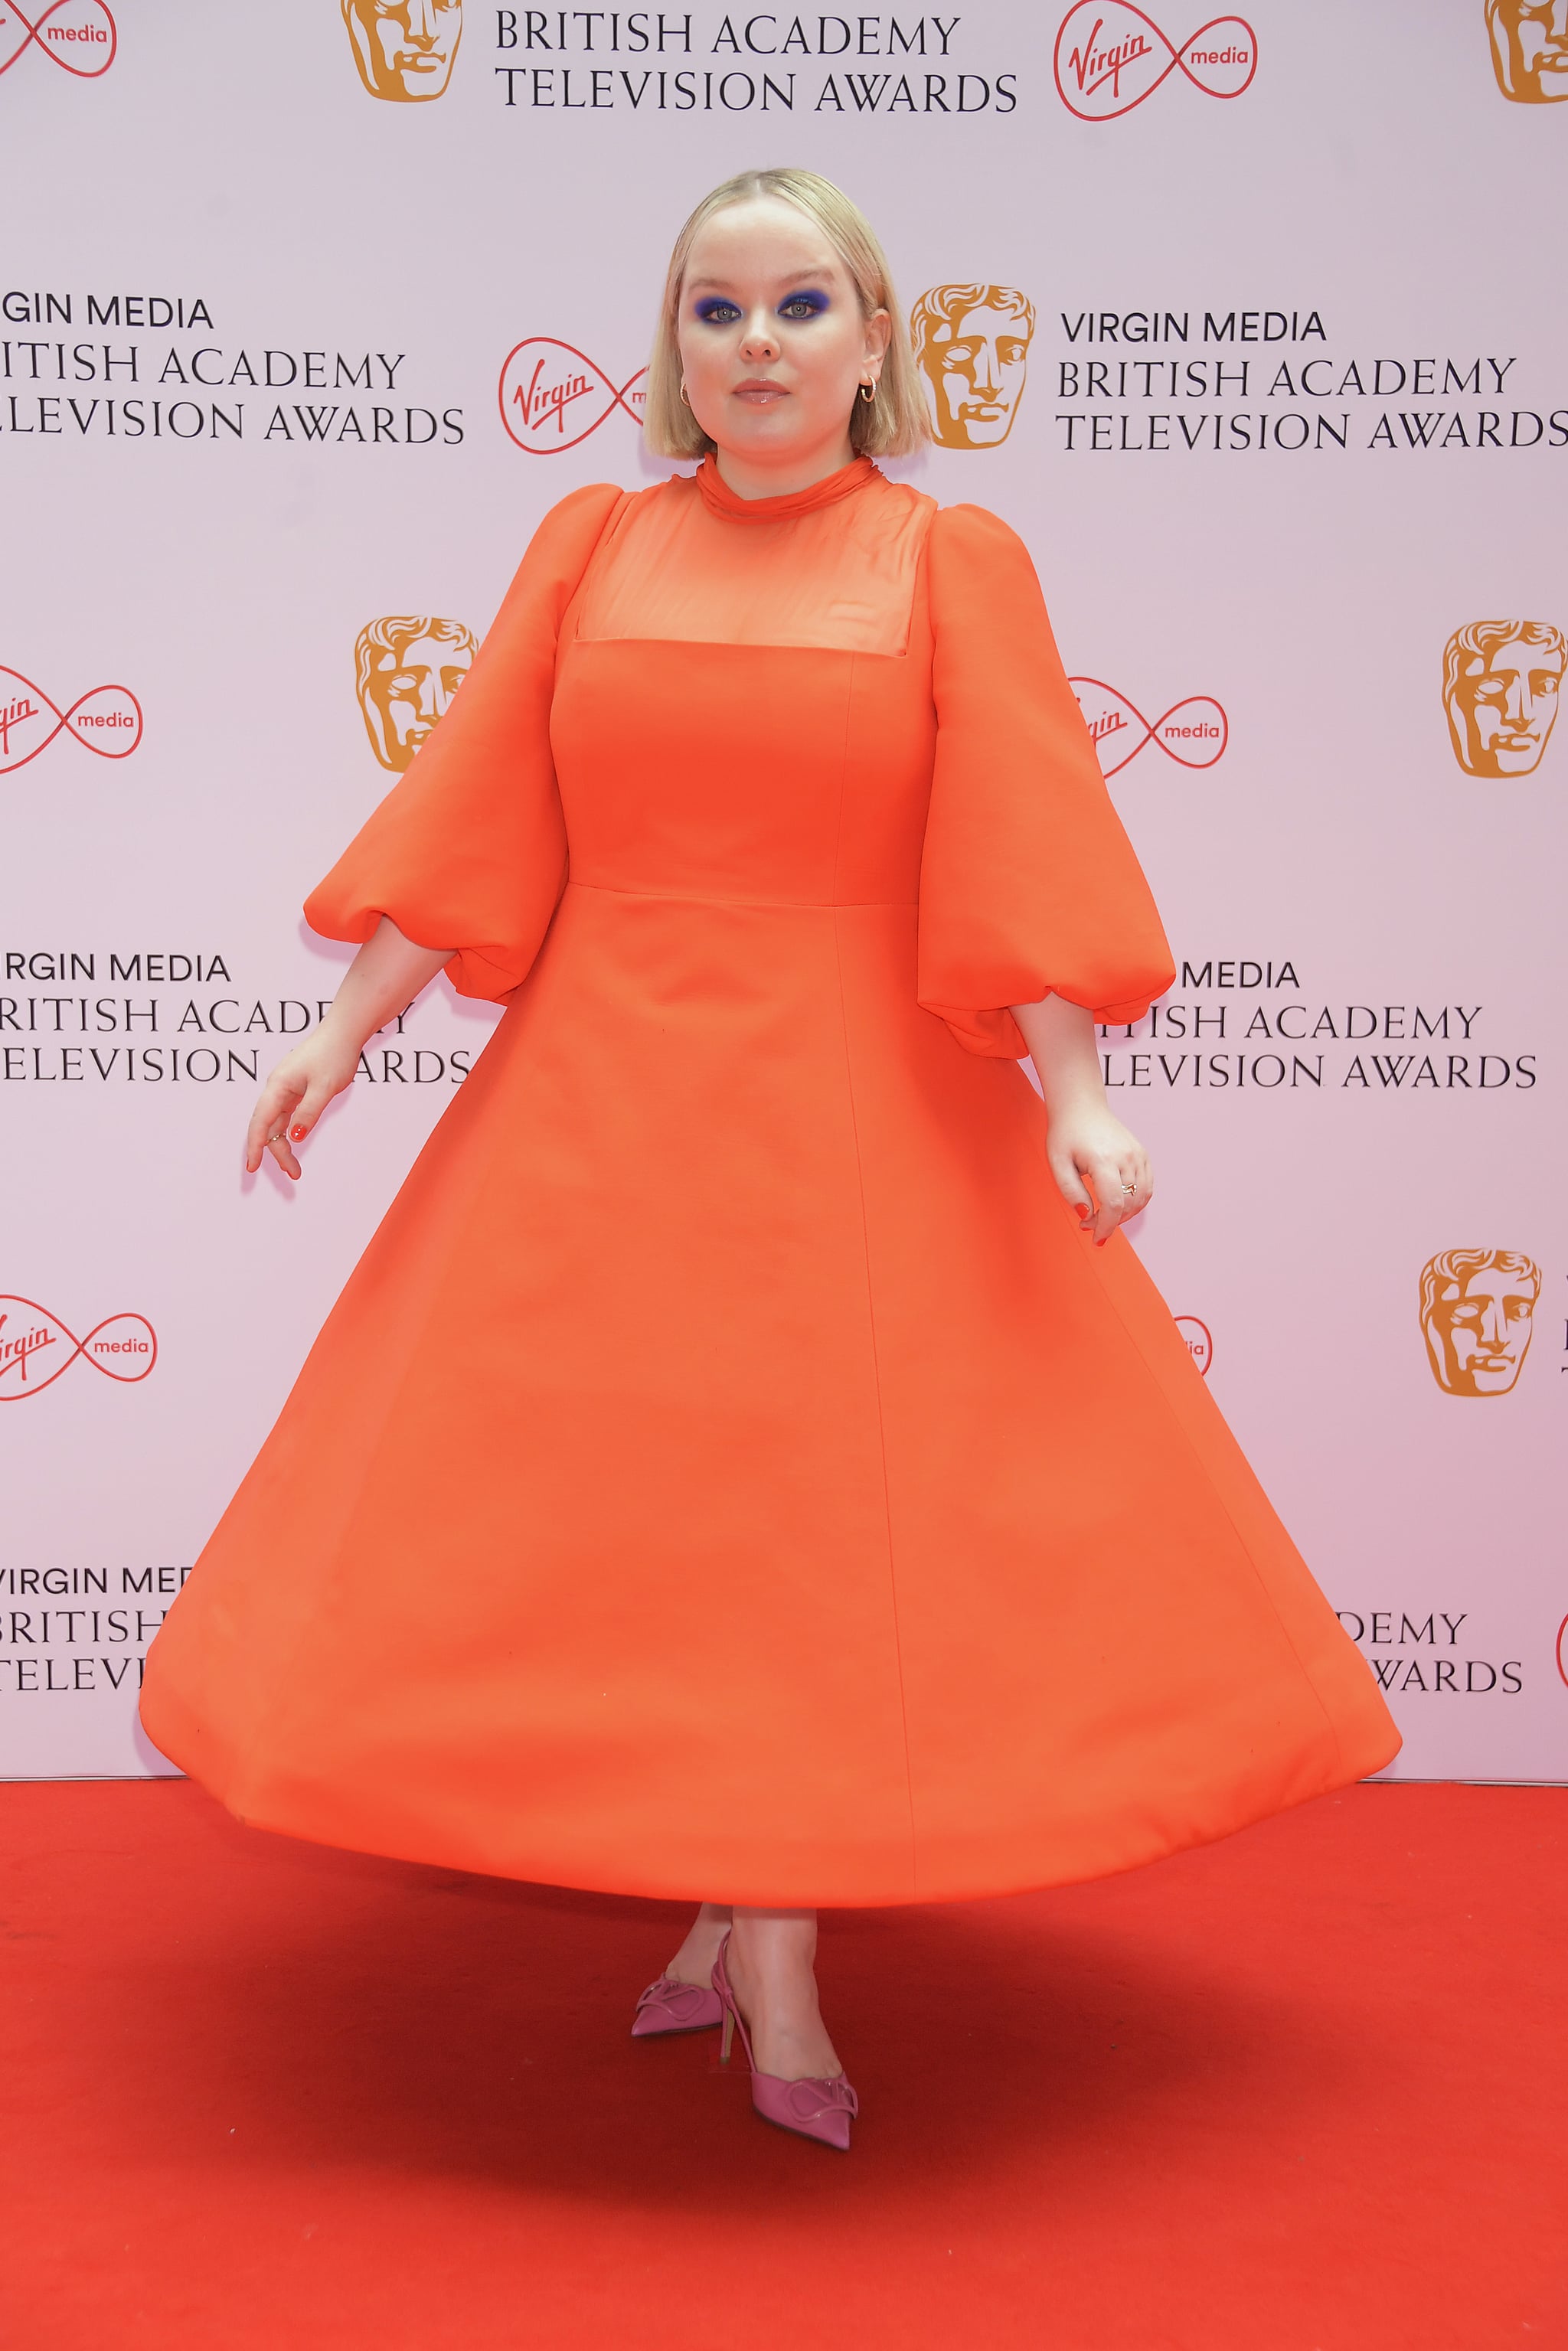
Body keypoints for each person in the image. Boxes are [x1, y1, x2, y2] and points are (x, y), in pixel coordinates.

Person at [140, 167, 1400, 2153]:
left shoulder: (947, 560)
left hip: (857, 1124)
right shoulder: (591, 544)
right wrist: (342, 1026)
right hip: (600, 1116)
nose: (756, 348)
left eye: (801, 307)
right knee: (652, 1538)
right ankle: (733, 1914)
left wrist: (1073, 1089)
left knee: (805, 1543)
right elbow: (484, 811)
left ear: (876, 337)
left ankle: (773, 1952)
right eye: (715, 314)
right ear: (675, 348)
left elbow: (1018, 842)